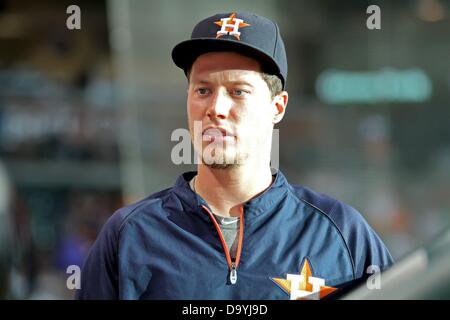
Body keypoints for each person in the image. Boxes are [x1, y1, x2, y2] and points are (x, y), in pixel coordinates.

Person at [76, 11, 393, 300]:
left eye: (238, 91)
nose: (216, 108)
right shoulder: (130, 235)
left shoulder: (339, 234)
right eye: (203, 90)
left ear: (277, 107)